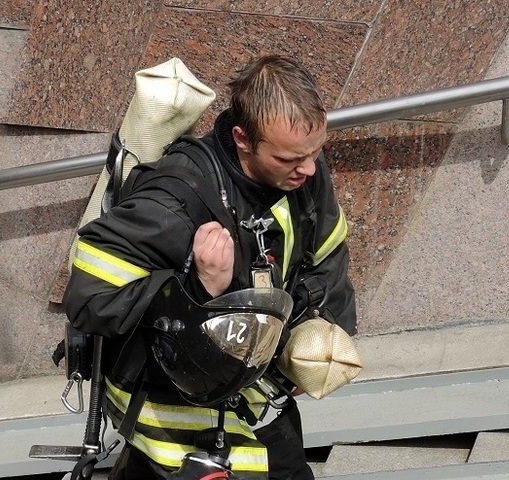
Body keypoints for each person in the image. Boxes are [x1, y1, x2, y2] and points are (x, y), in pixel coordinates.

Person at [63, 54, 357, 480]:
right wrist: (200, 290)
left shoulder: (302, 170)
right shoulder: (176, 198)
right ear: (242, 138)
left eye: (314, 152)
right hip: (175, 419)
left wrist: (321, 333)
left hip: (257, 394)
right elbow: (90, 298)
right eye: (290, 159)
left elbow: (329, 251)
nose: (308, 169)